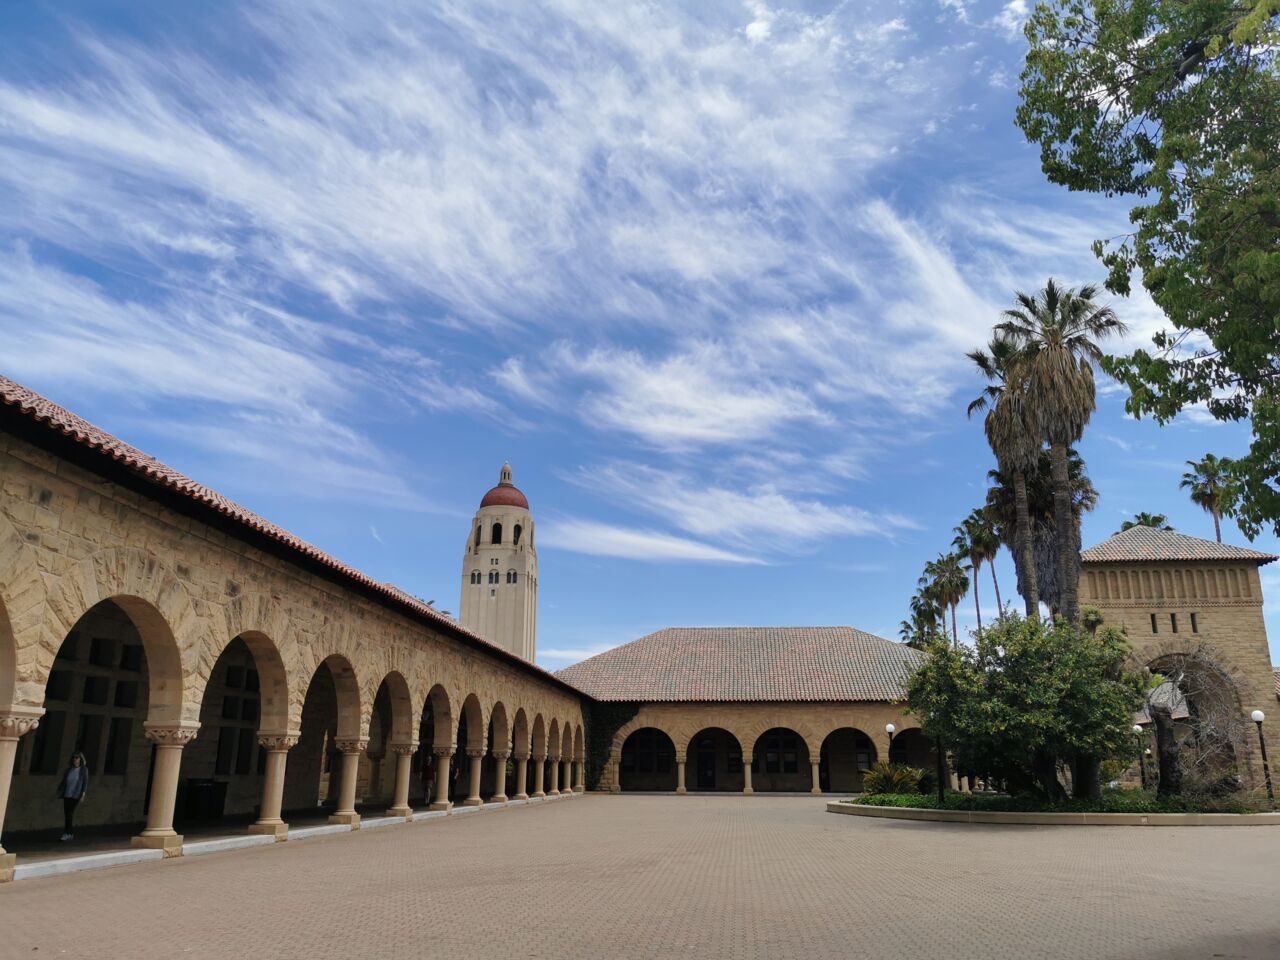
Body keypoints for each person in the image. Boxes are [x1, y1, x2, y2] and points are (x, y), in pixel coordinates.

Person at [56, 751, 89, 841]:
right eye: (74, 757)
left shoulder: (83, 770)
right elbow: (64, 781)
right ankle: (69, 833)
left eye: (77, 757)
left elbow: (85, 783)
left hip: (76, 795)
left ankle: (68, 833)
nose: (75, 759)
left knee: (69, 814)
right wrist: (59, 789)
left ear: (81, 759)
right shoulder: (69, 770)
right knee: (67, 814)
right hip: (67, 794)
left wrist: (83, 794)